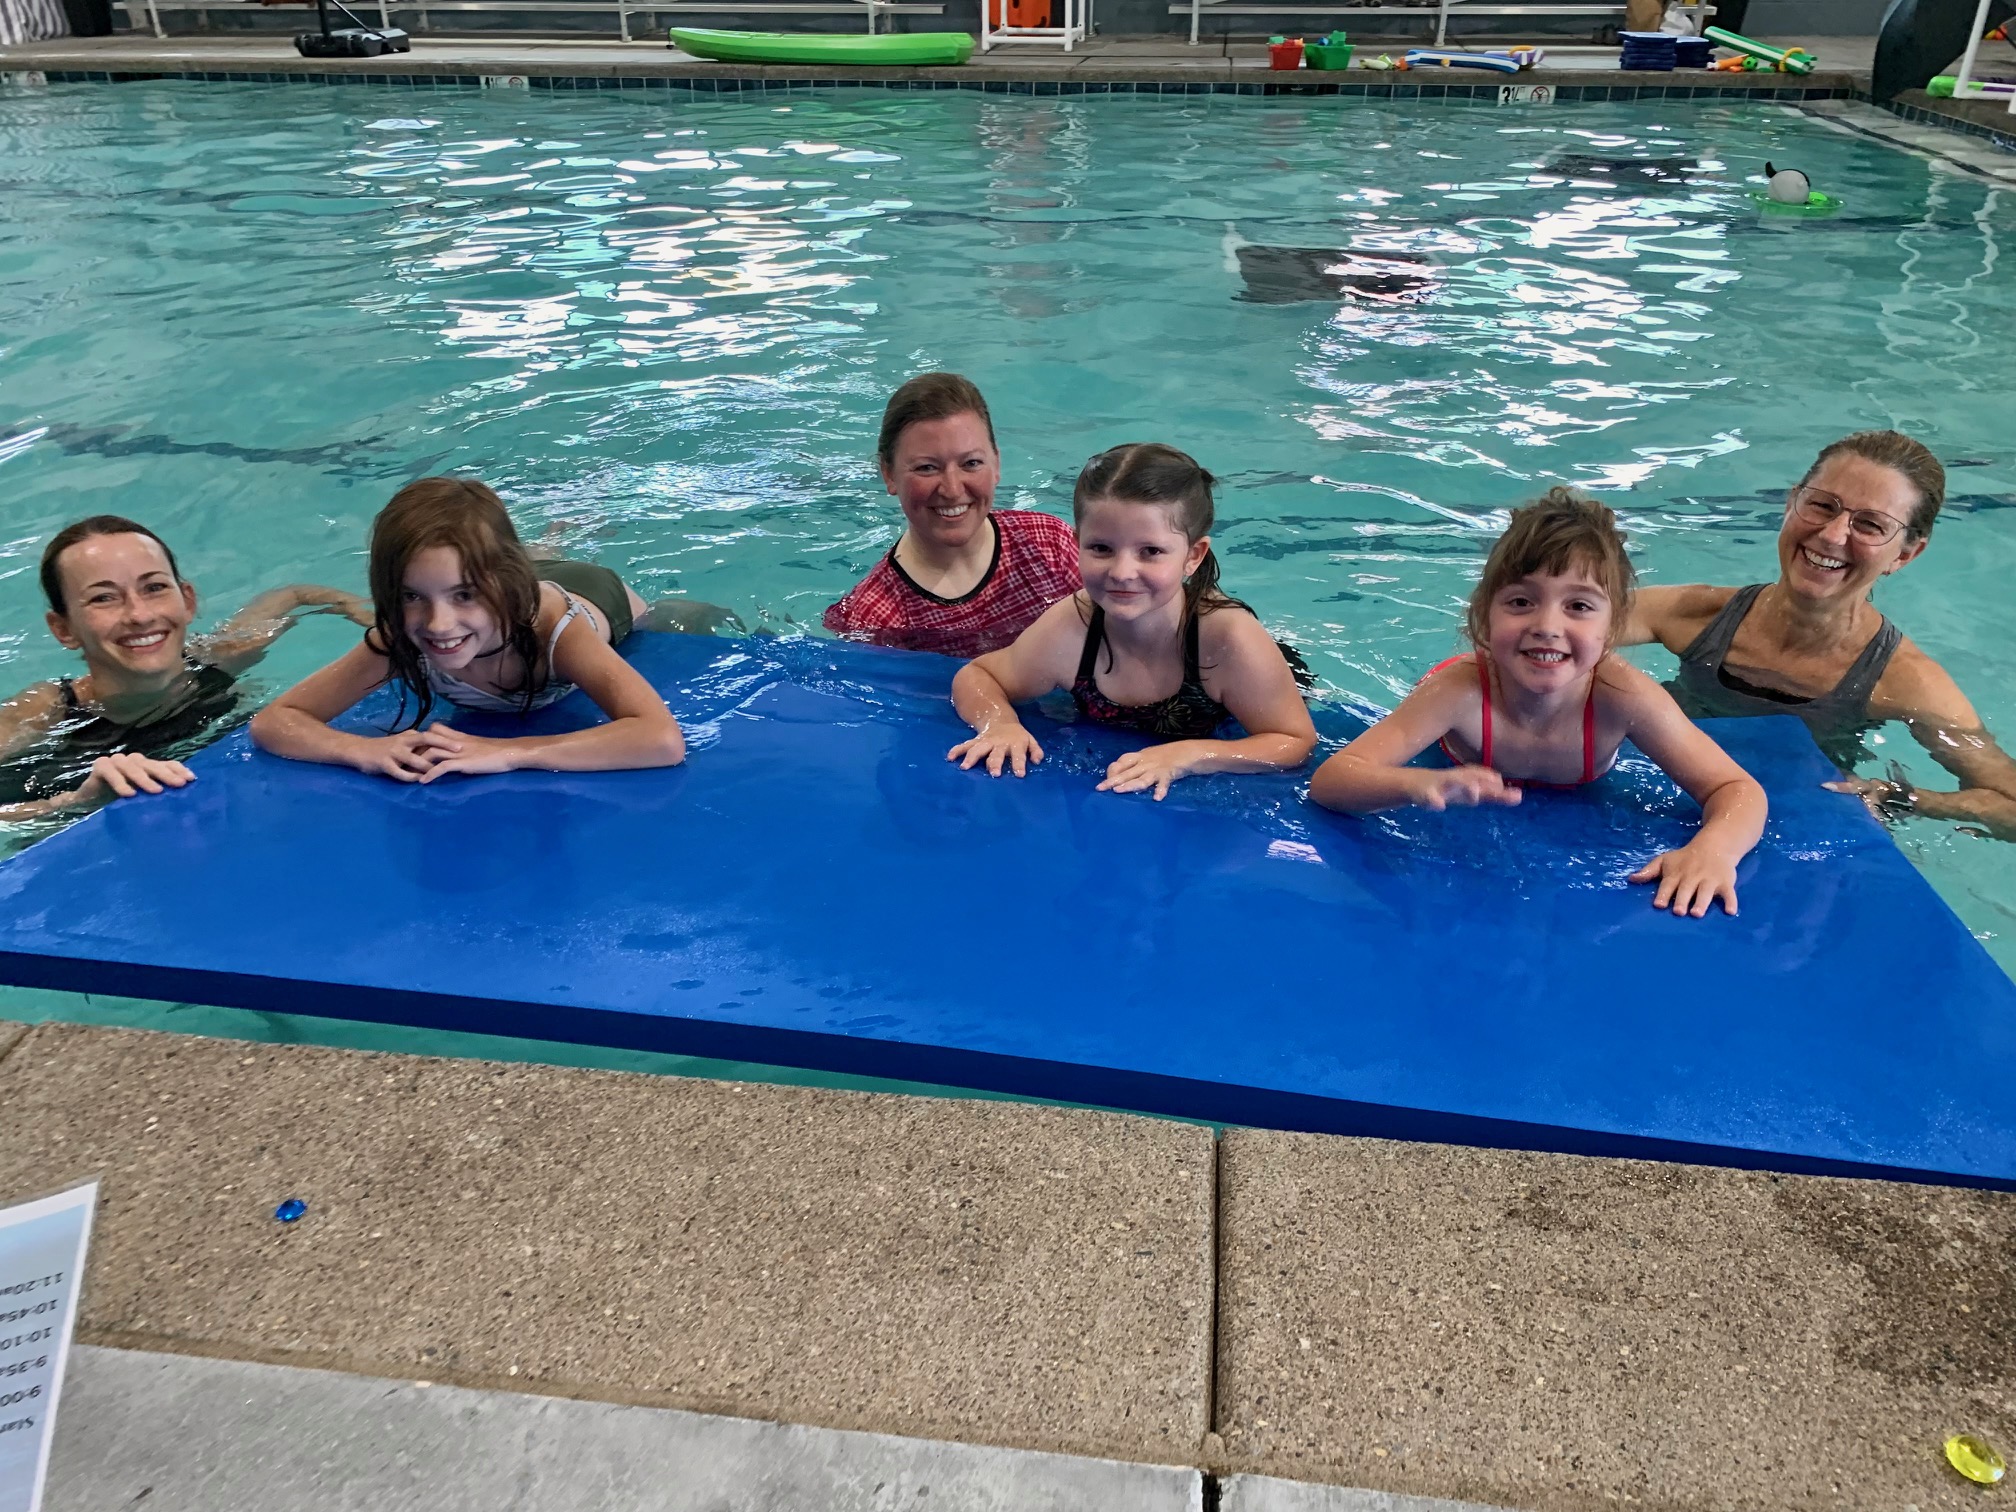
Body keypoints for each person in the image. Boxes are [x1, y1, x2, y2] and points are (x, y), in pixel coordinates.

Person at [1310, 488, 1766, 919]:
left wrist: (1714, 850)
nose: (1547, 625)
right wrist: (1411, 783)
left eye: (1579, 607)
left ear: (1613, 629)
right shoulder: (1458, 693)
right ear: (1484, 617)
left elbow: (1736, 789)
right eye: (1522, 601)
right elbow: (1332, 780)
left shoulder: (1626, 698)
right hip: (1476, 698)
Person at [1624, 430, 2016, 840]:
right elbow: (1560, 624)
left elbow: (2010, 807)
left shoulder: (1903, 681)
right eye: (1822, 505)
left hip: (1787, 835)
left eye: (1869, 524)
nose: (1831, 535)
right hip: (1650, 802)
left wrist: (1902, 796)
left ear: (1904, 554)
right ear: (1792, 502)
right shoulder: (1695, 615)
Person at [948, 443, 1317, 801]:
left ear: (1193, 556)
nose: (1122, 572)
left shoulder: (1227, 640)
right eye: (1102, 548)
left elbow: (1293, 740)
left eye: (1151, 551)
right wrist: (999, 724)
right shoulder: (1073, 627)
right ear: (1077, 544)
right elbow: (979, 675)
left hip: (1263, 675)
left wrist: (1189, 755)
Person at [251, 477, 684, 780]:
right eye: (410, 596)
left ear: (504, 587)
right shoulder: (399, 639)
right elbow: (276, 721)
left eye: (464, 595)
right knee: (499, 560)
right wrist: (360, 750)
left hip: (595, 592)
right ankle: (536, 548)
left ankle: (564, 528)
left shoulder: (557, 634)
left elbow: (660, 739)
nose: (438, 625)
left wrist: (507, 752)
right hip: (505, 577)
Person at [0, 515, 370, 820]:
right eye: (103, 598)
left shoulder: (218, 658)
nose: (140, 615)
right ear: (63, 629)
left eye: (155, 587)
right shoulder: (47, 710)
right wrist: (75, 802)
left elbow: (292, 596)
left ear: (187, 600)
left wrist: (359, 609)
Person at [824, 372, 1082, 660]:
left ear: (996, 462)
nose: (952, 489)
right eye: (926, 468)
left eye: (971, 463)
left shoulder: (1051, 545)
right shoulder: (877, 619)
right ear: (888, 473)